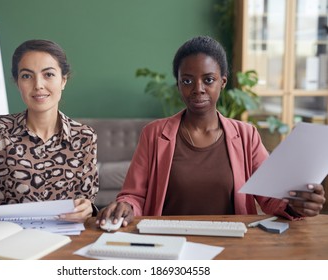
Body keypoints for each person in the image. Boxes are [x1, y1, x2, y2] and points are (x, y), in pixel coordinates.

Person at [96, 36, 326, 227]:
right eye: (187, 81)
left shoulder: (246, 135)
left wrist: (296, 204)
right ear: (178, 84)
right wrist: (125, 206)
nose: (198, 89)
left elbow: (270, 197)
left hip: (232, 241)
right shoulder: (154, 133)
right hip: (166, 238)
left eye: (208, 80)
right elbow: (134, 195)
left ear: (222, 82)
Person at [0, 39, 99, 224]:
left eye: (48, 74)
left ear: (63, 80)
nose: (38, 84)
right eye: (26, 76)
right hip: (4, 238)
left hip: (64, 239)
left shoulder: (85, 136)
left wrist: (87, 209)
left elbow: (87, 201)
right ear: (17, 83)